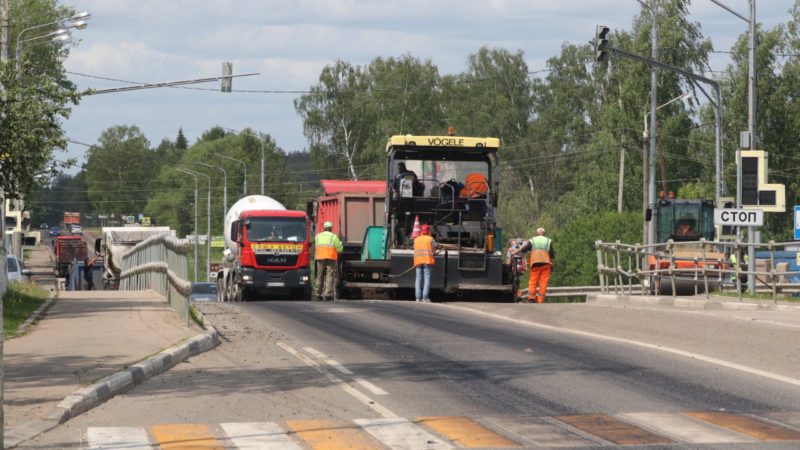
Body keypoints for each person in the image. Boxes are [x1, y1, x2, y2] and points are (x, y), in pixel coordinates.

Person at [511, 227, 555, 303]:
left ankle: (531, 298)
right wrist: (553, 265)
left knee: (533, 281)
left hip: (535, 263)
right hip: (546, 264)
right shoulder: (548, 241)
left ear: (536, 233)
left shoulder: (533, 240)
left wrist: (515, 252)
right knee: (543, 283)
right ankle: (540, 300)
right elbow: (552, 254)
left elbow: (525, 249)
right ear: (544, 234)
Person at [314, 221, 343, 301]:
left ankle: (317, 294)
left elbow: (316, 247)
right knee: (329, 276)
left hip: (320, 258)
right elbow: (340, 249)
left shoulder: (318, 236)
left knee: (319, 276)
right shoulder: (334, 237)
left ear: (324, 228)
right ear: (331, 228)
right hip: (331, 258)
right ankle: (327, 294)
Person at [413, 224, 438, 303]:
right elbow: (434, 250)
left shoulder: (416, 239)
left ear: (421, 231)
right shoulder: (430, 239)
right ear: (428, 231)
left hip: (418, 261)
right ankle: (425, 298)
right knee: (427, 279)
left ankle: (417, 298)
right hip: (427, 261)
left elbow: (415, 248)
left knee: (418, 279)